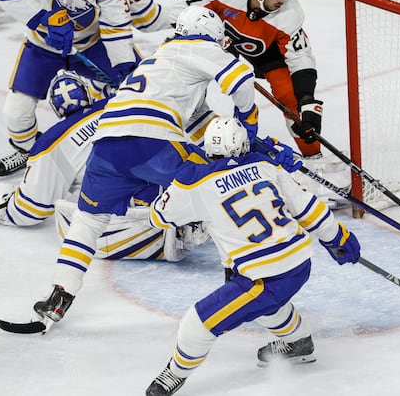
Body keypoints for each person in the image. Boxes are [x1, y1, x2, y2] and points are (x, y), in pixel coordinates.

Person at [32, 6, 259, 327]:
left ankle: (59, 296)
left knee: (88, 221)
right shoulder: (202, 47)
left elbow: (187, 107)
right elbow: (241, 79)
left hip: (107, 142)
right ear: (213, 36)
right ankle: (238, 281)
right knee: (215, 192)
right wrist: (248, 123)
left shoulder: (159, 56)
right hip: (152, 140)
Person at [145, 117, 360, 396]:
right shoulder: (266, 164)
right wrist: (338, 239)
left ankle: (172, 375)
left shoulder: (195, 182)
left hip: (265, 276)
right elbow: (309, 208)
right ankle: (297, 341)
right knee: (261, 302)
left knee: (197, 323)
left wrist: (183, 178)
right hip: (298, 262)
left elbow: (157, 217)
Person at [0, 0, 170, 178]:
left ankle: (142, 147)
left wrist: (122, 63)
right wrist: (45, 21)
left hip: (92, 44)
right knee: (15, 113)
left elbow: (115, 22)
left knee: (138, 89)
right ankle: (28, 151)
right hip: (43, 46)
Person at [0, 70, 212, 261]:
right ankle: (188, 211)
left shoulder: (51, 142)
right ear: (88, 95)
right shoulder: (122, 101)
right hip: (169, 185)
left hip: (113, 218)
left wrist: (1, 206)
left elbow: (32, 210)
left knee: (87, 219)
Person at [172, 0, 350, 203]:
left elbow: (301, 59)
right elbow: (186, 11)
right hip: (221, 42)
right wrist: (200, 39)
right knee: (191, 78)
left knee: (290, 98)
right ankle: (181, 136)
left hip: (267, 54)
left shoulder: (290, 14)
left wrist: (307, 100)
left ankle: (313, 159)